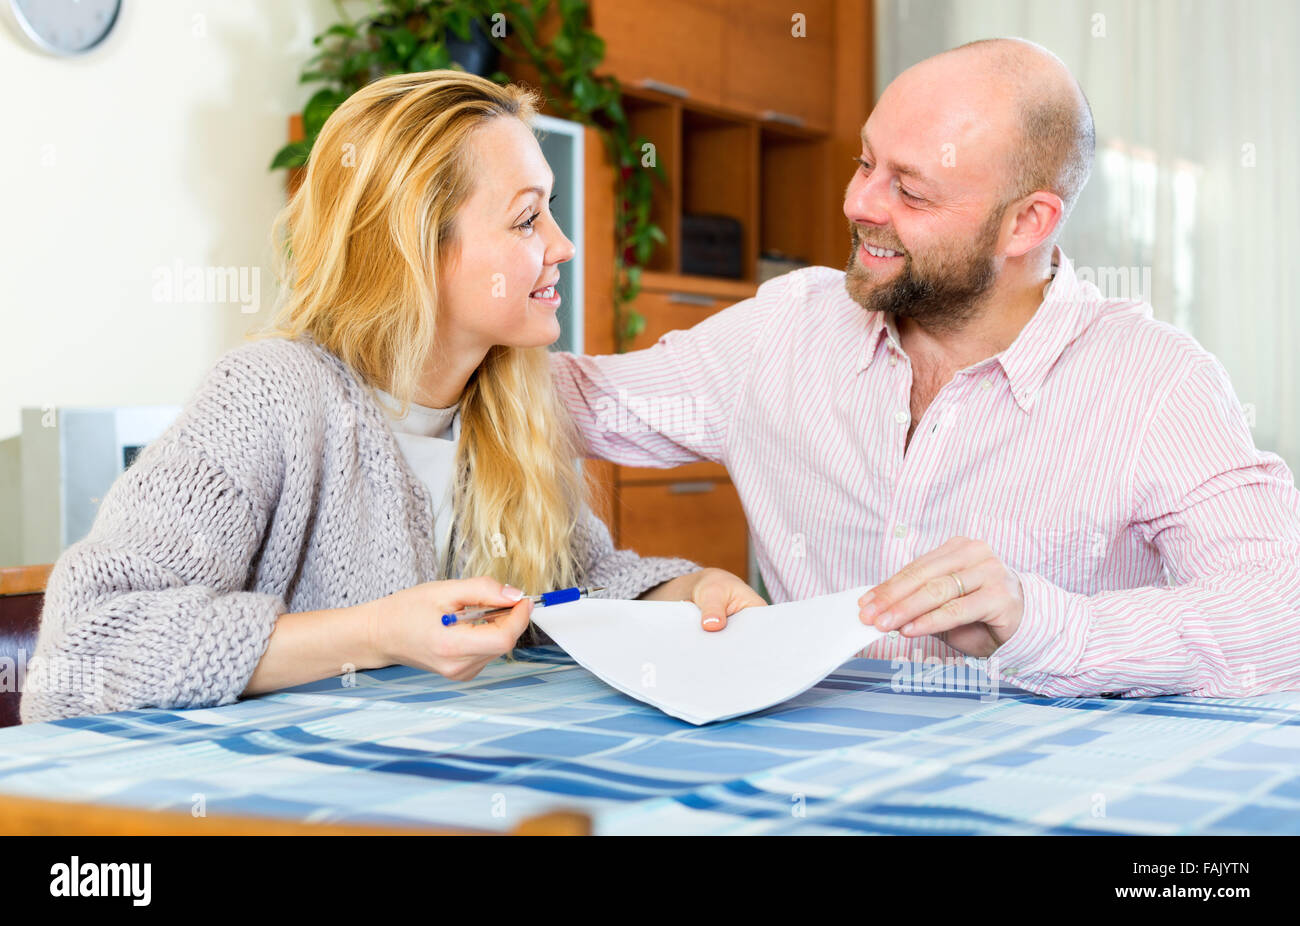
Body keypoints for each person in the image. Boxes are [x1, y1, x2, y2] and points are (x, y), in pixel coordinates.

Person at [551, 38, 1300, 699]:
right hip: (809, 783)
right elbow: (575, 404)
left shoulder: (1157, 383)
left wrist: (1037, 621)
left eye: (909, 189)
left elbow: (1279, 613)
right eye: (865, 163)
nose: (857, 203)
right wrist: (461, 300)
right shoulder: (784, 329)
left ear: (1027, 223)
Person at [21, 71, 762, 724]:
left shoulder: (510, 402)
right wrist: (375, 634)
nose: (562, 245)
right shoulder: (271, 392)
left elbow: (577, 590)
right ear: (418, 246)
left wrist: (688, 590)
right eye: (528, 216)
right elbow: (87, 643)